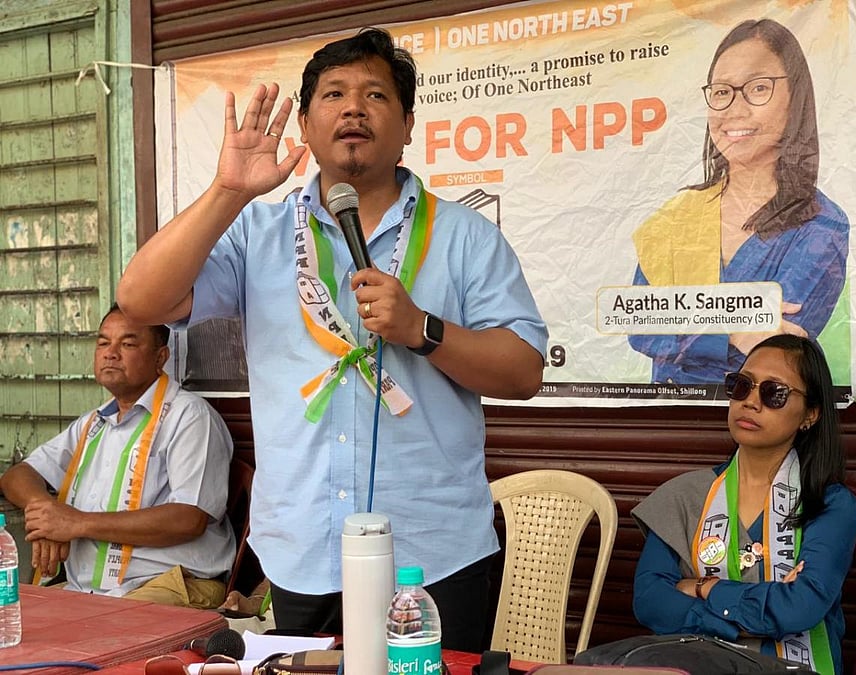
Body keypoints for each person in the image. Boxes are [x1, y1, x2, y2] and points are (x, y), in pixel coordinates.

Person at [116, 27, 547, 650]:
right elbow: (140, 299)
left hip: (432, 551)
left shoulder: (465, 236)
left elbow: (524, 371)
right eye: (334, 94)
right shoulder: (258, 232)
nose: (353, 109)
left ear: (407, 126)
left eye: (376, 95)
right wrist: (228, 193)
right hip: (302, 546)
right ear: (307, 126)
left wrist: (422, 330)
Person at [628, 19, 849, 384]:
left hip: (760, 409)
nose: (734, 108)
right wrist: (731, 329)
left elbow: (777, 345)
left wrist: (684, 324)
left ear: (796, 99)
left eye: (758, 88)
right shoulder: (679, 215)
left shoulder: (821, 225)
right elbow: (640, 325)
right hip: (667, 411)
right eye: (721, 92)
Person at [630, 334, 856, 674]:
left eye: (774, 392)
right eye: (742, 385)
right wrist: (741, 619)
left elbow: (801, 607)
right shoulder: (684, 495)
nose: (751, 402)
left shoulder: (829, 505)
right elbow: (650, 600)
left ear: (810, 414)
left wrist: (701, 587)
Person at [0, 305, 235, 608]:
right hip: (87, 591)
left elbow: (188, 519)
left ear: (160, 357)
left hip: (169, 583)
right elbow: (18, 476)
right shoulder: (94, 423)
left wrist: (77, 523)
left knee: (99, 629)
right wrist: (46, 513)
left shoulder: (189, 416)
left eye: (128, 344)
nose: (110, 353)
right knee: (17, 622)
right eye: (103, 343)